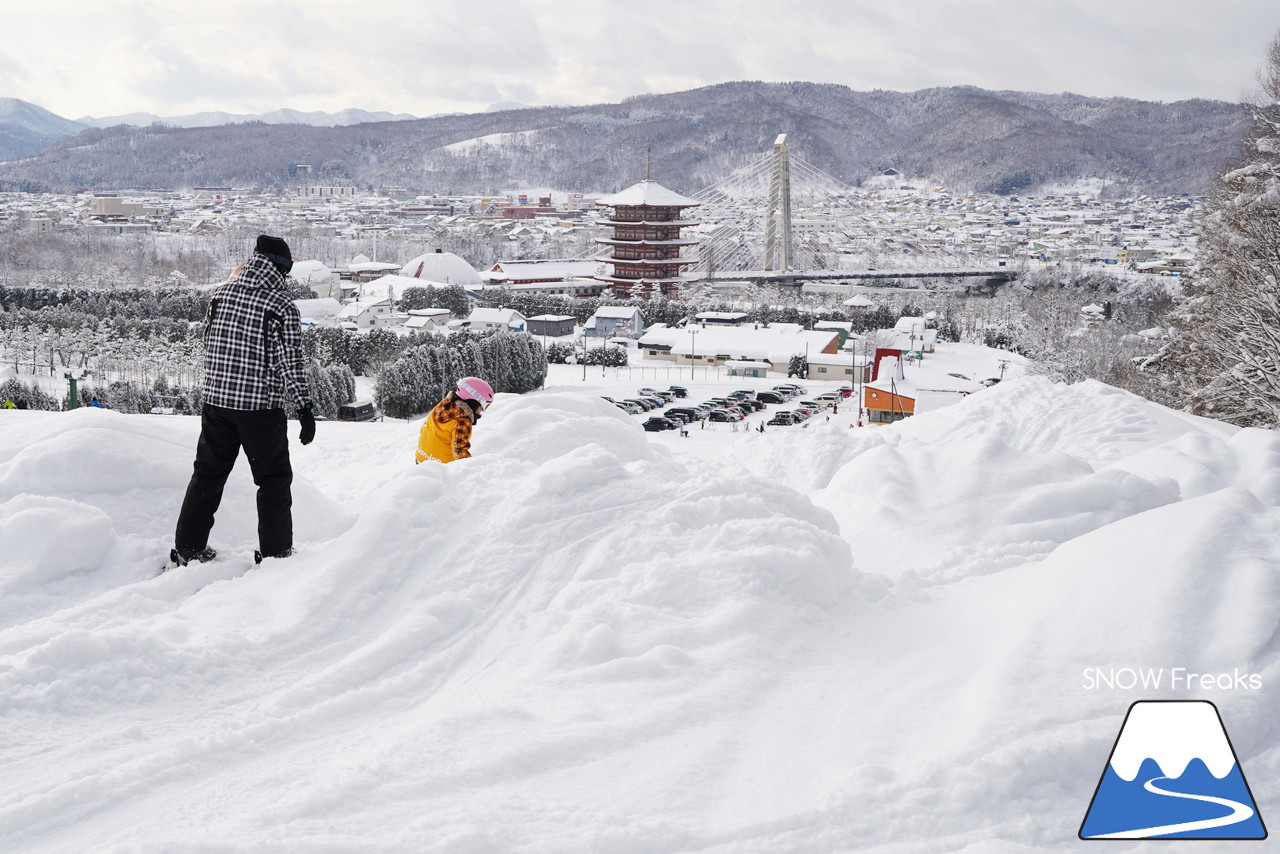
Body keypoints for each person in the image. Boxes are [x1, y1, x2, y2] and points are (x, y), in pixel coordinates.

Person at [171, 235, 313, 567]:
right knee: (273, 480)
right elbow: (290, 363)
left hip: (216, 403)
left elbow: (209, 343)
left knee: (207, 475)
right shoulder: (281, 306)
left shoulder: (219, 294)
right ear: (280, 268)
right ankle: (276, 554)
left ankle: (189, 549)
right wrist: (304, 408)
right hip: (260, 409)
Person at [415, 377, 494, 464]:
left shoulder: (443, 405)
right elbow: (459, 452)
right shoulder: (462, 420)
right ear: (475, 401)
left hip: (421, 458)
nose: (482, 411)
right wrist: (472, 468)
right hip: (441, 468)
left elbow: (424, 428)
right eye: (484, 406)